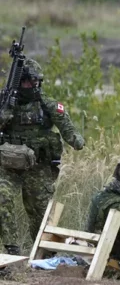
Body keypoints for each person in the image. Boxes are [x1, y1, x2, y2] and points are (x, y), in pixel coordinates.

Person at [0, 58, 84, 255]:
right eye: (30, 82)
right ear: (20, 82)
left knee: (41, 213)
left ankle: (45, 254)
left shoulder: (47, 105)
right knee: (2, 198)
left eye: (37, 82)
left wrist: (76, 140)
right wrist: (5, 114)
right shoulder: (4, 103)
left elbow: (68, 129)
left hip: (37, 168)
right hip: (8, 167)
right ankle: (11, 251)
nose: (34, 86)